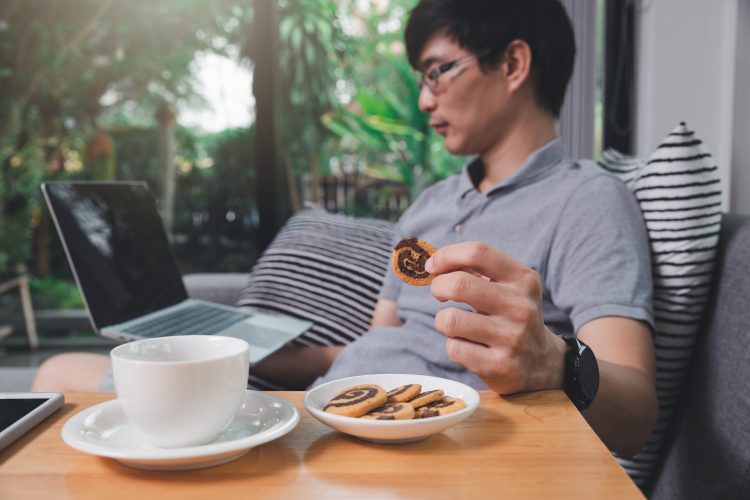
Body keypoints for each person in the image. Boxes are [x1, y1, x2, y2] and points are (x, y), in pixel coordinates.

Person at [33, 0, 657, 458]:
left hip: (426, 434)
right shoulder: (430, 206)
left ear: (514, 63)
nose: (423, 100)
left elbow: (636, 415)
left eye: (438, 71)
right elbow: (369, 347)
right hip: (327, 407)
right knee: (59, 373)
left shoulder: (589, 200)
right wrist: (239, 353)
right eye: (420, 79)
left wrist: (554, 360)